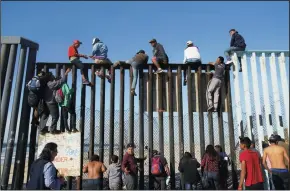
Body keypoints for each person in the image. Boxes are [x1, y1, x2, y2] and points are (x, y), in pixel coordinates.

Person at [39, 69, 71, 134]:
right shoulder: (50, 84)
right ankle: (52, 130)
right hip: (51, 102)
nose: (53, 76)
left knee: (45, 115)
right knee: (55, 116)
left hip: (45, 101)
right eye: (52, 76)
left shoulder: (46, 83)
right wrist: (66, 73)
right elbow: (62, 81)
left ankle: (41, 129)